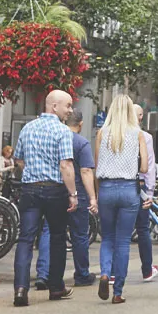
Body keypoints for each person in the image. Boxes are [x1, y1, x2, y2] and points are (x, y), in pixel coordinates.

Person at [13, 89, 82, 310]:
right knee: (57, 237)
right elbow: (66, 165)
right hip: (55, 190)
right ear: (54, 106)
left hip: (30, 190)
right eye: (68, 106)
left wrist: (32, 172)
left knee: (25, 239)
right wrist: (72, 194)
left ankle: (21, 288)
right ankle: (55, 286)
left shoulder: (27, 128)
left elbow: (19, 159)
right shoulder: (62, 132)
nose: (70, 110)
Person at [93, 93, 149, 303]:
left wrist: (98, 194)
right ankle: (118, 292)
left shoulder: (101, 133)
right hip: (128, 190)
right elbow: (144, 167)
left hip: (106, 188)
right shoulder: (138, 134)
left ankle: (105, 273)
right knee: (123, 241)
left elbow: (97, 166)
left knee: (107, 237)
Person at [66, 105, 99, 284]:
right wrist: (93, 197)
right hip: (78, 193)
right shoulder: (81, 143)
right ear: (80, 124)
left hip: (56, 192)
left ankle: (45, 274)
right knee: (79, 235)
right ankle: (82, 274)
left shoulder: (56, 139)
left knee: (49, 231)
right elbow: (86, 171)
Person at [135, 106, 158, 282]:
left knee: (117, 233)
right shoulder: (145, 137)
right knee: (143, 229)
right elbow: (149, 165)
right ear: (141, 116)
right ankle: (146, 269)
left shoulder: (110, 133)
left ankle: (112, 272)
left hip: (115, 184)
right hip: (139, 185)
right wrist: (149, 191)